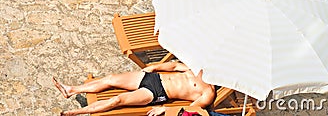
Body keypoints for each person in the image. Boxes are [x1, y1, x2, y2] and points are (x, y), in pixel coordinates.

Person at [53, 61, 216, 116]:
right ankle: (71, 90)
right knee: (111, 79)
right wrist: (153, 67)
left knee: (118, 100)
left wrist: (164, 109)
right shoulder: (199, 69)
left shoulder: (208, 92)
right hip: (153, 78)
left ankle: (75, 113)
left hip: (158, 93)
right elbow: (174, 66)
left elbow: (190, 109)